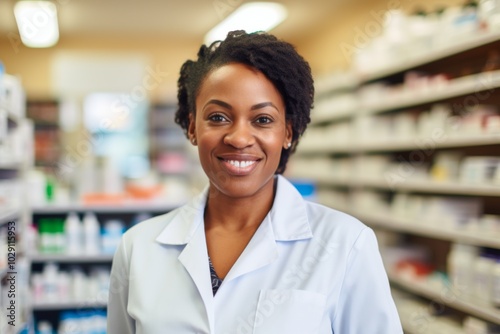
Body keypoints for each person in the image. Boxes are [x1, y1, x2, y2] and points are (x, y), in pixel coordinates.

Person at [107, 30, 403, 334]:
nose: (238, 138)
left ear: (288, 132)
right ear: (193, 127)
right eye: (219, 117)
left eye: (262, 120)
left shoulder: (345, 244)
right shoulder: (138, 248)